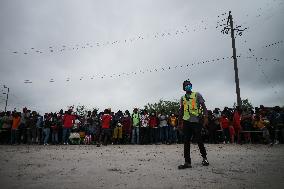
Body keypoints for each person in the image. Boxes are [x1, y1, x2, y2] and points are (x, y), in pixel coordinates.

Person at [178, 80, 209, 169]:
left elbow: (204, 107)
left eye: (189, 85)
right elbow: (181, 110)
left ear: (191, 86)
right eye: (186, 85)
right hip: (186, 121)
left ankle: (204, 158)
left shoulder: (197, 95)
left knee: (199, 140)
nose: (188, 86)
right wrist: (179, 123)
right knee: (186, 141)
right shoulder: (182, 98)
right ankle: (187, 162)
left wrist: (206, 117)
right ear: (184, 88)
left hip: (196, 121)